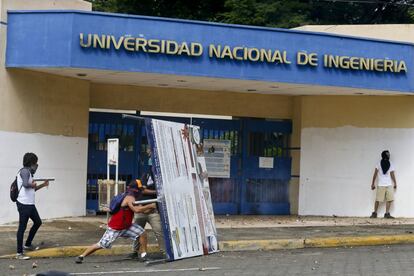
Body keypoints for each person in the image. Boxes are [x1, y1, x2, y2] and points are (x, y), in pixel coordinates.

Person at [75, 180, 156, 264]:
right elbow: (137, 210)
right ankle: (81, 256)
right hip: (115, 228)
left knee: (142, 233)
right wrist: (150, 205)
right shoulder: (129, 197)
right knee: (101, 245)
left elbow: (142, 210)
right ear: (135, 189)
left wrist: (152, 208)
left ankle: (144, 255)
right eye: (139, 189)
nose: (141, 191)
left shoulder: (132, 197)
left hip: (126, 226)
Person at [129, 149, 166, 259]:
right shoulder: (146, 175)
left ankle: (164, 252)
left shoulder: (161, 177)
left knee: (158, 232)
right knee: (136, 232)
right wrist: (155, 192)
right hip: (142, 209)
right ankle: (134, 252)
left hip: (153, 211)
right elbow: (142, 190)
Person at [16, 152, 49, 260]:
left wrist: (43, 185)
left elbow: (32, 189)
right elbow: (26, 185)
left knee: (38, 222)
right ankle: (19, 253)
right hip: (24, 204)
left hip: (29, 204)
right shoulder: (25, 171)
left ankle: (27, 244)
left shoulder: (29, 173)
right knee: (22, 227)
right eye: (35, 162)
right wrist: (32, 184)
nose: (36, 165)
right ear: (31, 162)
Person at [370, 150, 397, 219]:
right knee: (378, 199)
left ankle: (387, 214)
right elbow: (375, 174)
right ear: (384, 155)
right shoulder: (379, 164)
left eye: (389, 154)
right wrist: (372, 183)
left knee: (390, 199)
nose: (389, 156)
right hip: (381, 184)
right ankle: (374, 213)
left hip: (389, 184)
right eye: (387, 154)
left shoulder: (390, 163)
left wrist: (395, 183)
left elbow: (392, 174)